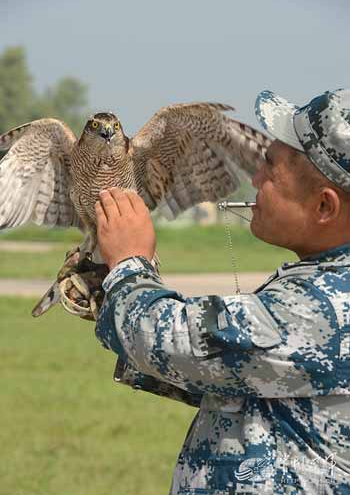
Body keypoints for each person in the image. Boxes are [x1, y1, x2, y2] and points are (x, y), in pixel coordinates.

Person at [93, 89, 350, 494]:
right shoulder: (324, 284)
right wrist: (110, 293)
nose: (255, 179)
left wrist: (129, 265)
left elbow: (178, 343)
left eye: (270, 168)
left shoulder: (327, 304)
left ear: (324, 206)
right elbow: (233, 375)